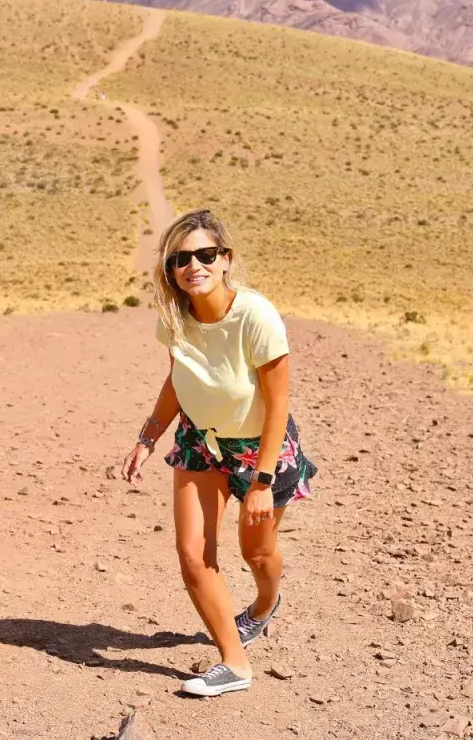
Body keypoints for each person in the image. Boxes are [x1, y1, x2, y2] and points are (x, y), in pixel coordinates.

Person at [119, 208, 319, 696]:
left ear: (226, 260)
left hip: (260, 449)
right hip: (198, 440)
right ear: (170, 270)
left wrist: (263, 480)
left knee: (257, 551)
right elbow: (178, 378)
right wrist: (148, 437)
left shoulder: (255, 315)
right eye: (181, 259)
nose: (195, 266)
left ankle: (264, 604)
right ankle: (234, 662)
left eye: (206, 255)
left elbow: (279, 403)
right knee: (192, 554)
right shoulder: (175, 318)